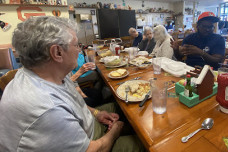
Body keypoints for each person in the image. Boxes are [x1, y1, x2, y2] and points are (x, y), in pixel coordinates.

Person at [0, 16, 145, 151]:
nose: (79, 50)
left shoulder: (49, 75)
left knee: (123, 106)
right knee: (143, 144)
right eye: (76, 45)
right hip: (93, 144)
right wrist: (115, 131)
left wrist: (97, 113)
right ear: (57, 52)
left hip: (87, 127)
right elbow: (95, 149)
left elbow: (75, 103)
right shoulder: (47, 109)